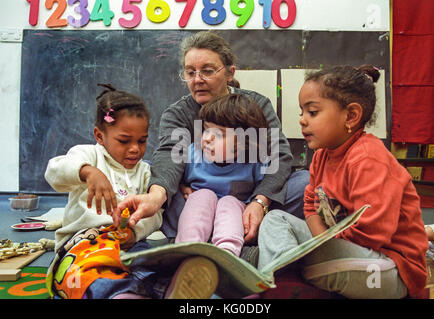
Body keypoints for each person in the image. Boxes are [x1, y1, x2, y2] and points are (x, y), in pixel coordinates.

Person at [113, 31, 309, 245]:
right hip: (195, 202)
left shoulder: (256, 104)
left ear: (230, 73)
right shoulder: (178, 113)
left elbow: (278, 155)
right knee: (147, 174)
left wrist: (260, 202)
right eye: (190, 72)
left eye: (207, 71)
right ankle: (211, 240)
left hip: (245, 199)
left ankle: (238, 231)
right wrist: (157, 196)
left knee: (304, 183)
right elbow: (170, 155)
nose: (197, 80)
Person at [257, 65, 429, 298]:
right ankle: (283, 281)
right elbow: (309, 205)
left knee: (303, 258)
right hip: (339, 253)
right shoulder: (321, 156)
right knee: (275, 220)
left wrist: (316, 249)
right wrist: (318, 242)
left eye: (313, 113)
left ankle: (286, 278)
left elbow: (371, 236)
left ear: (351, 116)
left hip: (387, 269)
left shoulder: (369, 159)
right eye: (301, 113)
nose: (302, 121)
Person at [44, 84, 167, 299]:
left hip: (130, 245)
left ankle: (159, 289)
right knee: (87, 276)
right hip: (85, 244)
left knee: (154, 267)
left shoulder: (145, 171)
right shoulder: (88, 155)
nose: (135, 149)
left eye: (142, 140)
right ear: (100, 136)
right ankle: (121, 294)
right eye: (124, 140)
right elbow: (54, 172)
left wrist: (134, 232)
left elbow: (155, 214)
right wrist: (87, 172)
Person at [175, 94, 270, 257]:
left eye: (219, 134)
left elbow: (265, 188)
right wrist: (183, 187)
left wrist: (257, 204)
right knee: (202, 196)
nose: (207, 138)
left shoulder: (255, 162)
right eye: (206, 129)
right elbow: (175, 178)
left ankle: (226, 254)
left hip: (233, 223)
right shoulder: (193, 154)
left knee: (229, 202)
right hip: (198, 214)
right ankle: (187, 250)